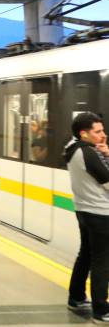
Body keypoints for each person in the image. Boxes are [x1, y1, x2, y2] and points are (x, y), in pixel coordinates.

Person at [64, 112, 109, 321]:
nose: (103, 135)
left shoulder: (71, 148)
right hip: (100, 213)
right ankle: (101, 309)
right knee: (102, 261)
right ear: (84, 134)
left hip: (83, 209)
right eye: (98, 131)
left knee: (87, 254)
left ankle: (76, 297)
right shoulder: (88, 154)